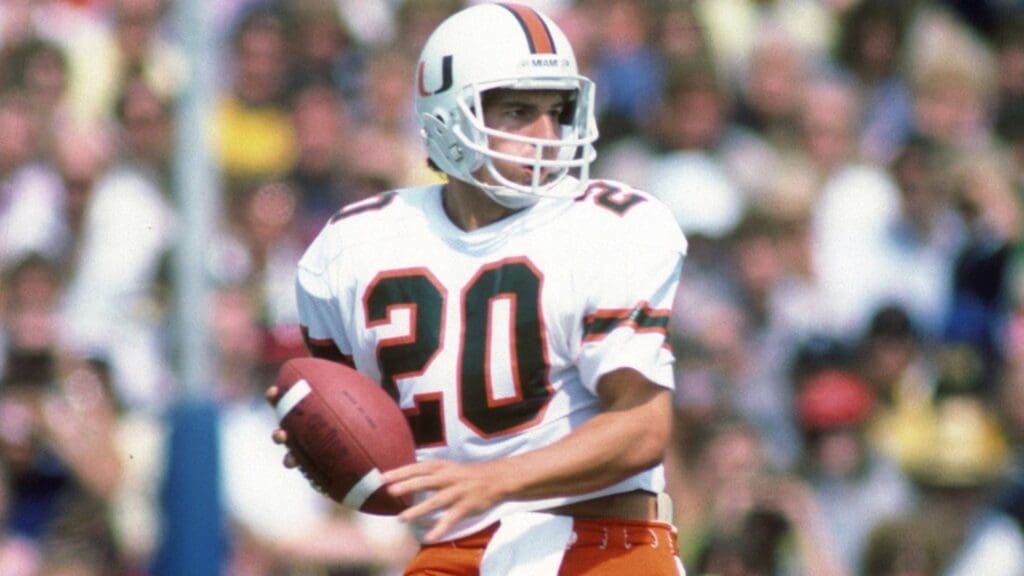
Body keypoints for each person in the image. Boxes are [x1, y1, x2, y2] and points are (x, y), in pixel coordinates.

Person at [267, 3, 688, 575]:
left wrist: (494, 480)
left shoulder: (611, 225)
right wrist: (327, 438)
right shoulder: (352, 247)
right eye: (519, 111)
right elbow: (362, 423)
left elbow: (642, 427)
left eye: (557, 111)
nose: (547, 134)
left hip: (600, 541)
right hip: (450, 548)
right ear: (447, 116)